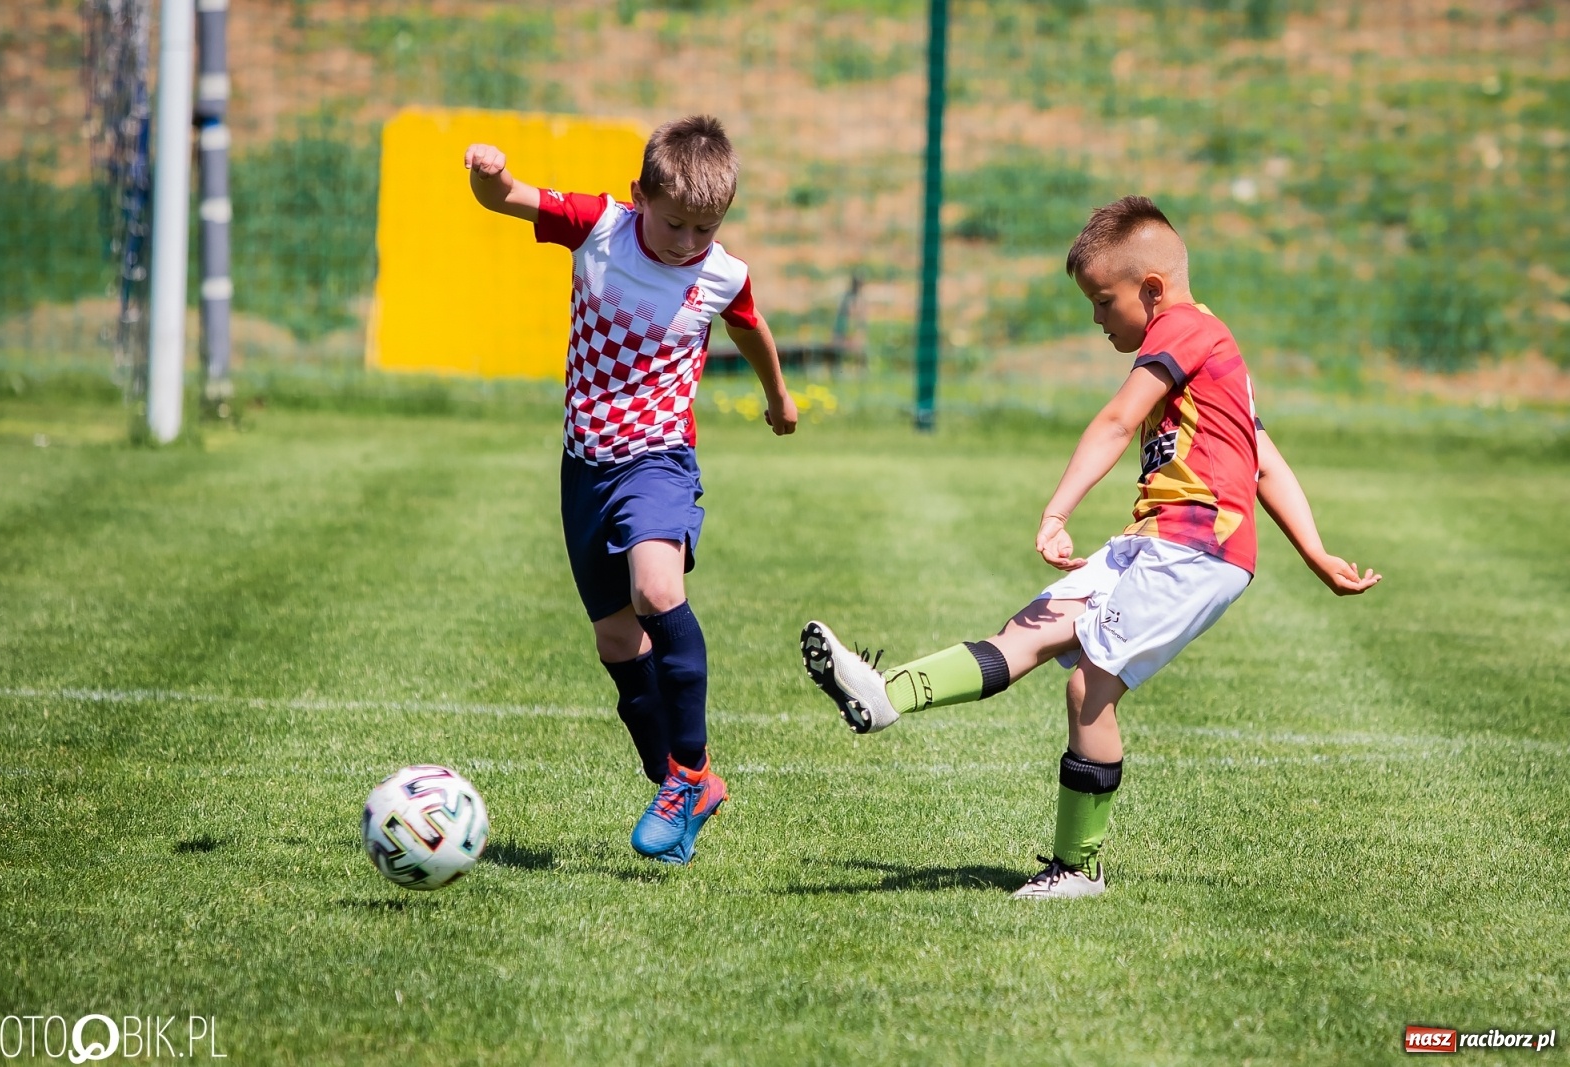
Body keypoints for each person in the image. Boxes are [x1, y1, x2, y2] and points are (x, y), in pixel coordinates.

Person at [801, 195, 1380, 899]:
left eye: (1104, 301)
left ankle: (1077, 869)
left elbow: (1116, 420)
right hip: (1152, 542)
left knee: (1090, 685)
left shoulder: (1191, 330)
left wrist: (1057, 508)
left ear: (1154, 290)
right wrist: (1315, 552)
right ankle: (884, 695)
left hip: (1197, 550)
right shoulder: (1207, 354)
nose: (1097, 318)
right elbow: (1262, 455)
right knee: (1025, 632)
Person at [465, 115, 798, 863]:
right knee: (617, 637)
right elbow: (510, 197)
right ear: (638, 194)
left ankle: (689, 769)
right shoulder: (598, 227)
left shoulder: (723, 273)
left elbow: (750, 327)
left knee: (657, 588)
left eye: (705, 228)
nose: (687, 242)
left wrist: (778, 395)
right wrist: (487, 175)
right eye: (675, 222)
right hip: (584, 464)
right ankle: (680, 785)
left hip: (658, 459)